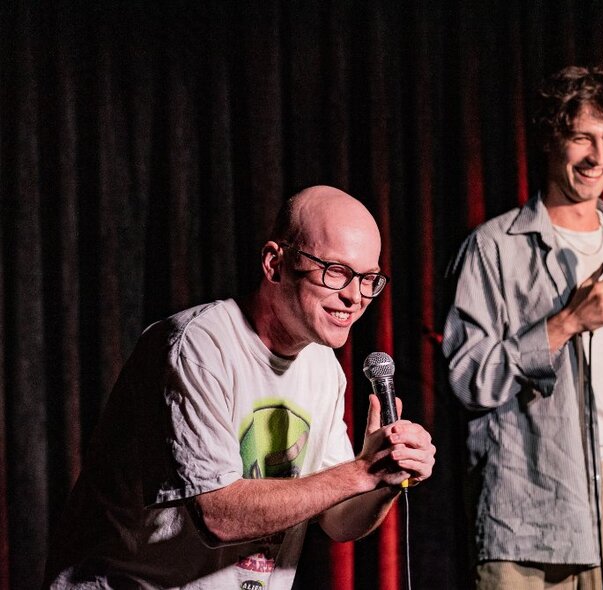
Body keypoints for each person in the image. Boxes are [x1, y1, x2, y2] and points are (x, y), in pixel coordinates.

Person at [43, 186, 436, 589]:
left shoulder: (323, 367)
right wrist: (360, 471)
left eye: (369, 278)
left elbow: (338, 520)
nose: (355, 295)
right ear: (274, 264)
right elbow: (218, 515)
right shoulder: (196, 346)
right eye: (336, 271)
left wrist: (383, 475)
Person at [442, 66, 603, 589]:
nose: (597, 157)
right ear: (551, 138)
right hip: (526, 502)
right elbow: (468, 381)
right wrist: (563, 324)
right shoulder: (494, 248)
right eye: (582, 137)